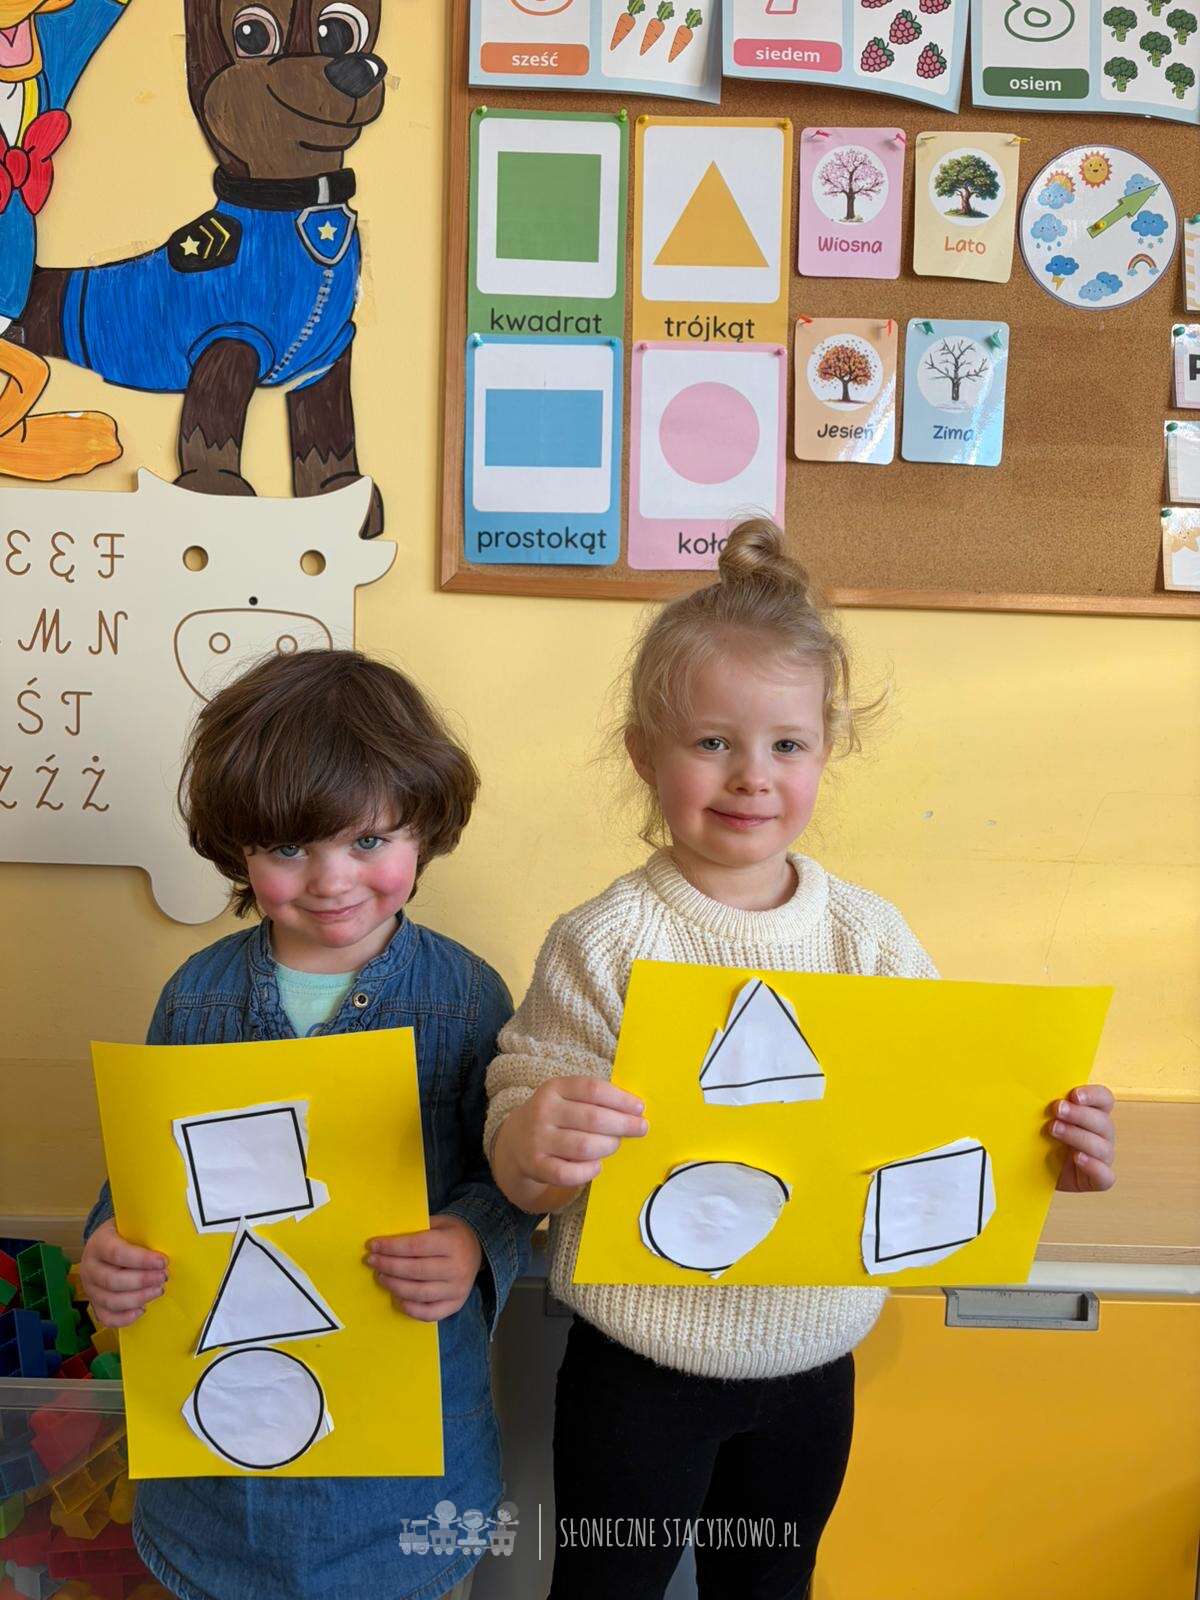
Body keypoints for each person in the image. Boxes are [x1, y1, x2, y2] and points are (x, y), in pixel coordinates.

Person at [485, 519, 1117, 1600]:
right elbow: (520, 1124)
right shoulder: (606, 939)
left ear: (828, 753)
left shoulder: (867, 937)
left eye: (787, 745)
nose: (751, 777)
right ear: (643, 754)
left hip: (813, 1367)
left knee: (774, 1588)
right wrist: (530, 1144)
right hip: (637, 1368)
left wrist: (1047, 1146)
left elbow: (942, 1119)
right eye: (711, 742)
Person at [79, 648, 533, 1600]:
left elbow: (506, 1174)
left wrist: (471, 1238)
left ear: (424, 824)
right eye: (289, 848)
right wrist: (109, 1244)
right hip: (220, 1474)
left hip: (406, 1471)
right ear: (237, 848)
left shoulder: (466, 995)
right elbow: (142, 1177)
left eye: (368, 840)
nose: (331, 880)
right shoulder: (196, 999)